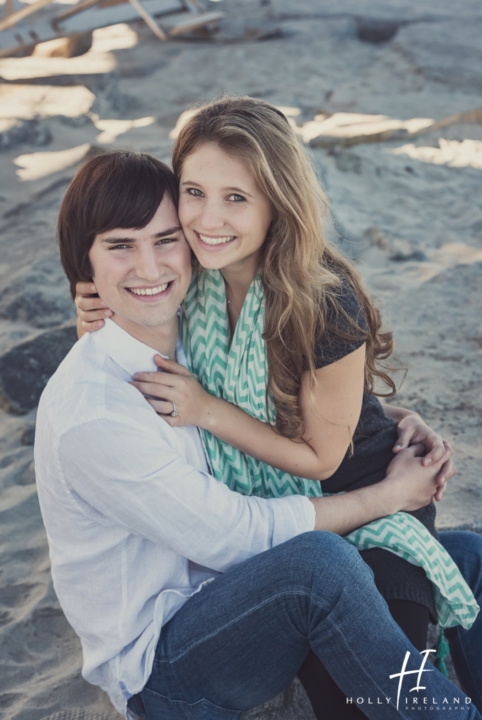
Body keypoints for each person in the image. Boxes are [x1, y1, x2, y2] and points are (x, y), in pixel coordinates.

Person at [34, 152, 481, 720]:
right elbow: (238, 537)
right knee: (320, 563)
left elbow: (265, 403)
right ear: (84, 264)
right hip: (167, 666)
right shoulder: (95, 415)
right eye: (120, 246)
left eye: (166, 239)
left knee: (459, 554)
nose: (149, 268)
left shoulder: (189, 329)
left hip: (244, 593)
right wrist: (387, 497)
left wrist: (391, 421)